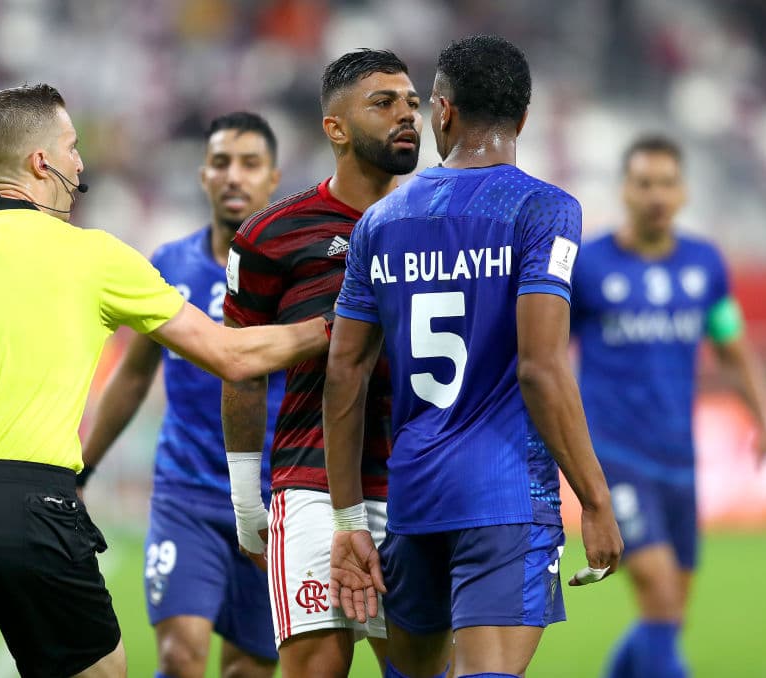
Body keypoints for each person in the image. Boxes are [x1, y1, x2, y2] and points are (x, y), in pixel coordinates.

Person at [0, 84, 329, 678]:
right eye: (72, 148)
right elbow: (231, 355)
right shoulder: (97, 256)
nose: (80, 162)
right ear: (41, 163)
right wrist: (335, 324)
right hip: (34, 504)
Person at [324, 35, 623, 678]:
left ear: (443, 111)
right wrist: (595, 501)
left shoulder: (380, 222)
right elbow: (541, 368)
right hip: (504, 494)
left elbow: (344, 371)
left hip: (412, 495)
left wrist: (349, 517)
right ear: (522, 118)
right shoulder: (544, 210)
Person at [221, 49, 422, 678]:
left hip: (419, 483)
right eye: (384, 103)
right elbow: (243, 365)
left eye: (413, 103)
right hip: (310, 485)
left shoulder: (442, 223)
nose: (406, 116)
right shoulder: (269, 235)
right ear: (335, 128)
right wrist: (244, 498)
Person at [79, 111, 285, 678]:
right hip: (185, 495)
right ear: (202, 177)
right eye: (221, 163)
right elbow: (135, 375)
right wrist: (83, 466)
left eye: (250, 163)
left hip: (273, 501)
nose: (233, 176)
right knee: (181, 654)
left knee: (248, 668)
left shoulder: (296, 274)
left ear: (274, 178)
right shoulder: (169, 265)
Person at [570, 135, 766, 678]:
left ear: (684, 191)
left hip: (679, 462)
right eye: (644, 183)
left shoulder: (705, 264)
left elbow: (731, 349)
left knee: (666, 617)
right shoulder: (589, 266)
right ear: (624, 189)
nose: (656, 195)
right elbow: (546, 359)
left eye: (667, 183)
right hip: (613, 457)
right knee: (662, 598)